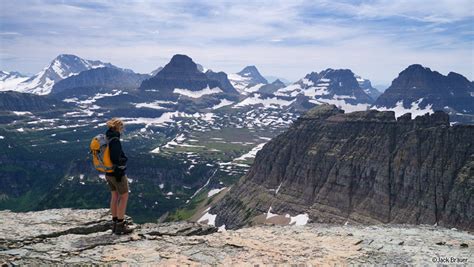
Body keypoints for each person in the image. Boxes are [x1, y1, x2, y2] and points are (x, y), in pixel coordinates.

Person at [105, 118, 132, 235]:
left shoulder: (106, 137)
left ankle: (115, 222)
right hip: (117, 173)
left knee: (114, 196)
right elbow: (116, 158)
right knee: (124, 196)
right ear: (118, 127)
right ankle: (120, 225)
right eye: (122, 128)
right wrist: (124, 160)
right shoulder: (115, 140)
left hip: (108, 172)